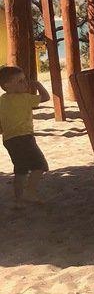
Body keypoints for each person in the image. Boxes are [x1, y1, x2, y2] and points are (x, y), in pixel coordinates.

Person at [0, 65, 50, 207]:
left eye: (25, 80)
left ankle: (19, 200)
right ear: (7, 85)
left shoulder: (1, 100)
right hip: (24, 138)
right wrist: (38, 84)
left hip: (9, 139)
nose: (25, 83)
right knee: (40, 165)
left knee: (20, 169)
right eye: (20, 81)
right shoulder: (25, 98)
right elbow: (46, 97)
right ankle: (30, 191)